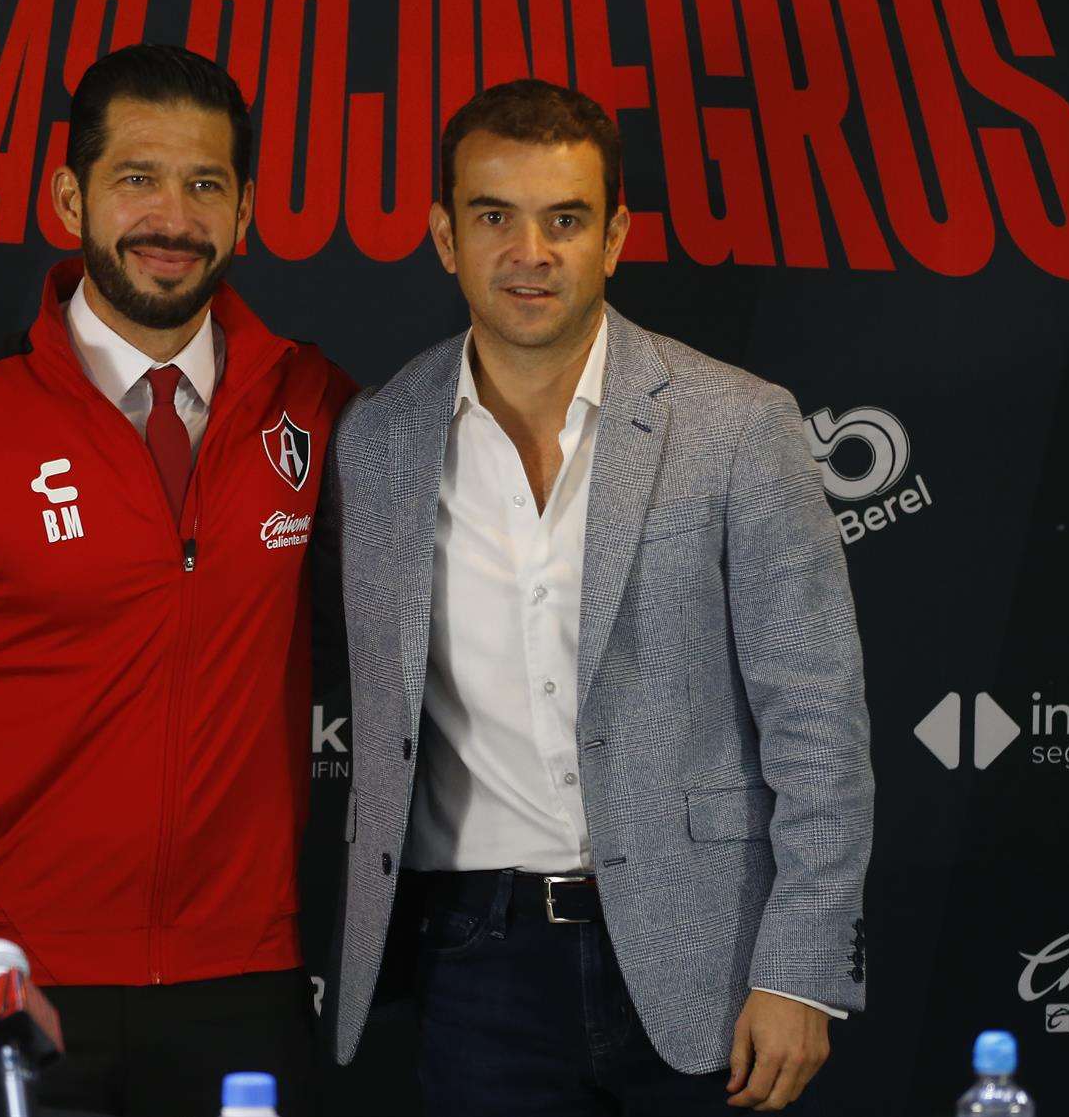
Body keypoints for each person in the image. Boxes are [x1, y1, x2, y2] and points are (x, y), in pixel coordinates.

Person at [0, 43, 355, 1117]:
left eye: (205, 184)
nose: (172, 218)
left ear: (245, 213)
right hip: (3, 974)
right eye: (138, 177)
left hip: (244, 981)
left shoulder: (321, 408)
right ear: (68, 197)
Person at [323, 79, 873, 1114]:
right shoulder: (379, 437)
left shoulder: (738, 424)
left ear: (614, 237)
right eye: (495, 216)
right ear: (444, 236)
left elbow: (817, 716)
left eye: (565, 220)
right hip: (474, 965)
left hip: (709, 953)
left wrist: (800, 967)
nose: (530, 252)